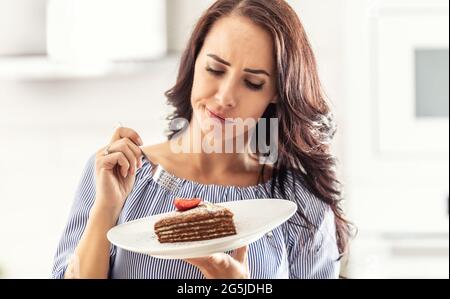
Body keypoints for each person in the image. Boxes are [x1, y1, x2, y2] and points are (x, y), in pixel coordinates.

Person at [52, 0, 351, 279]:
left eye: (252, 82)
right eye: (215, 69)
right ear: (195, 59)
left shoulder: (300, 204)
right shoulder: (118, 173)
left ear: (276, 91)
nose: (224, 97)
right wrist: (106, 208)